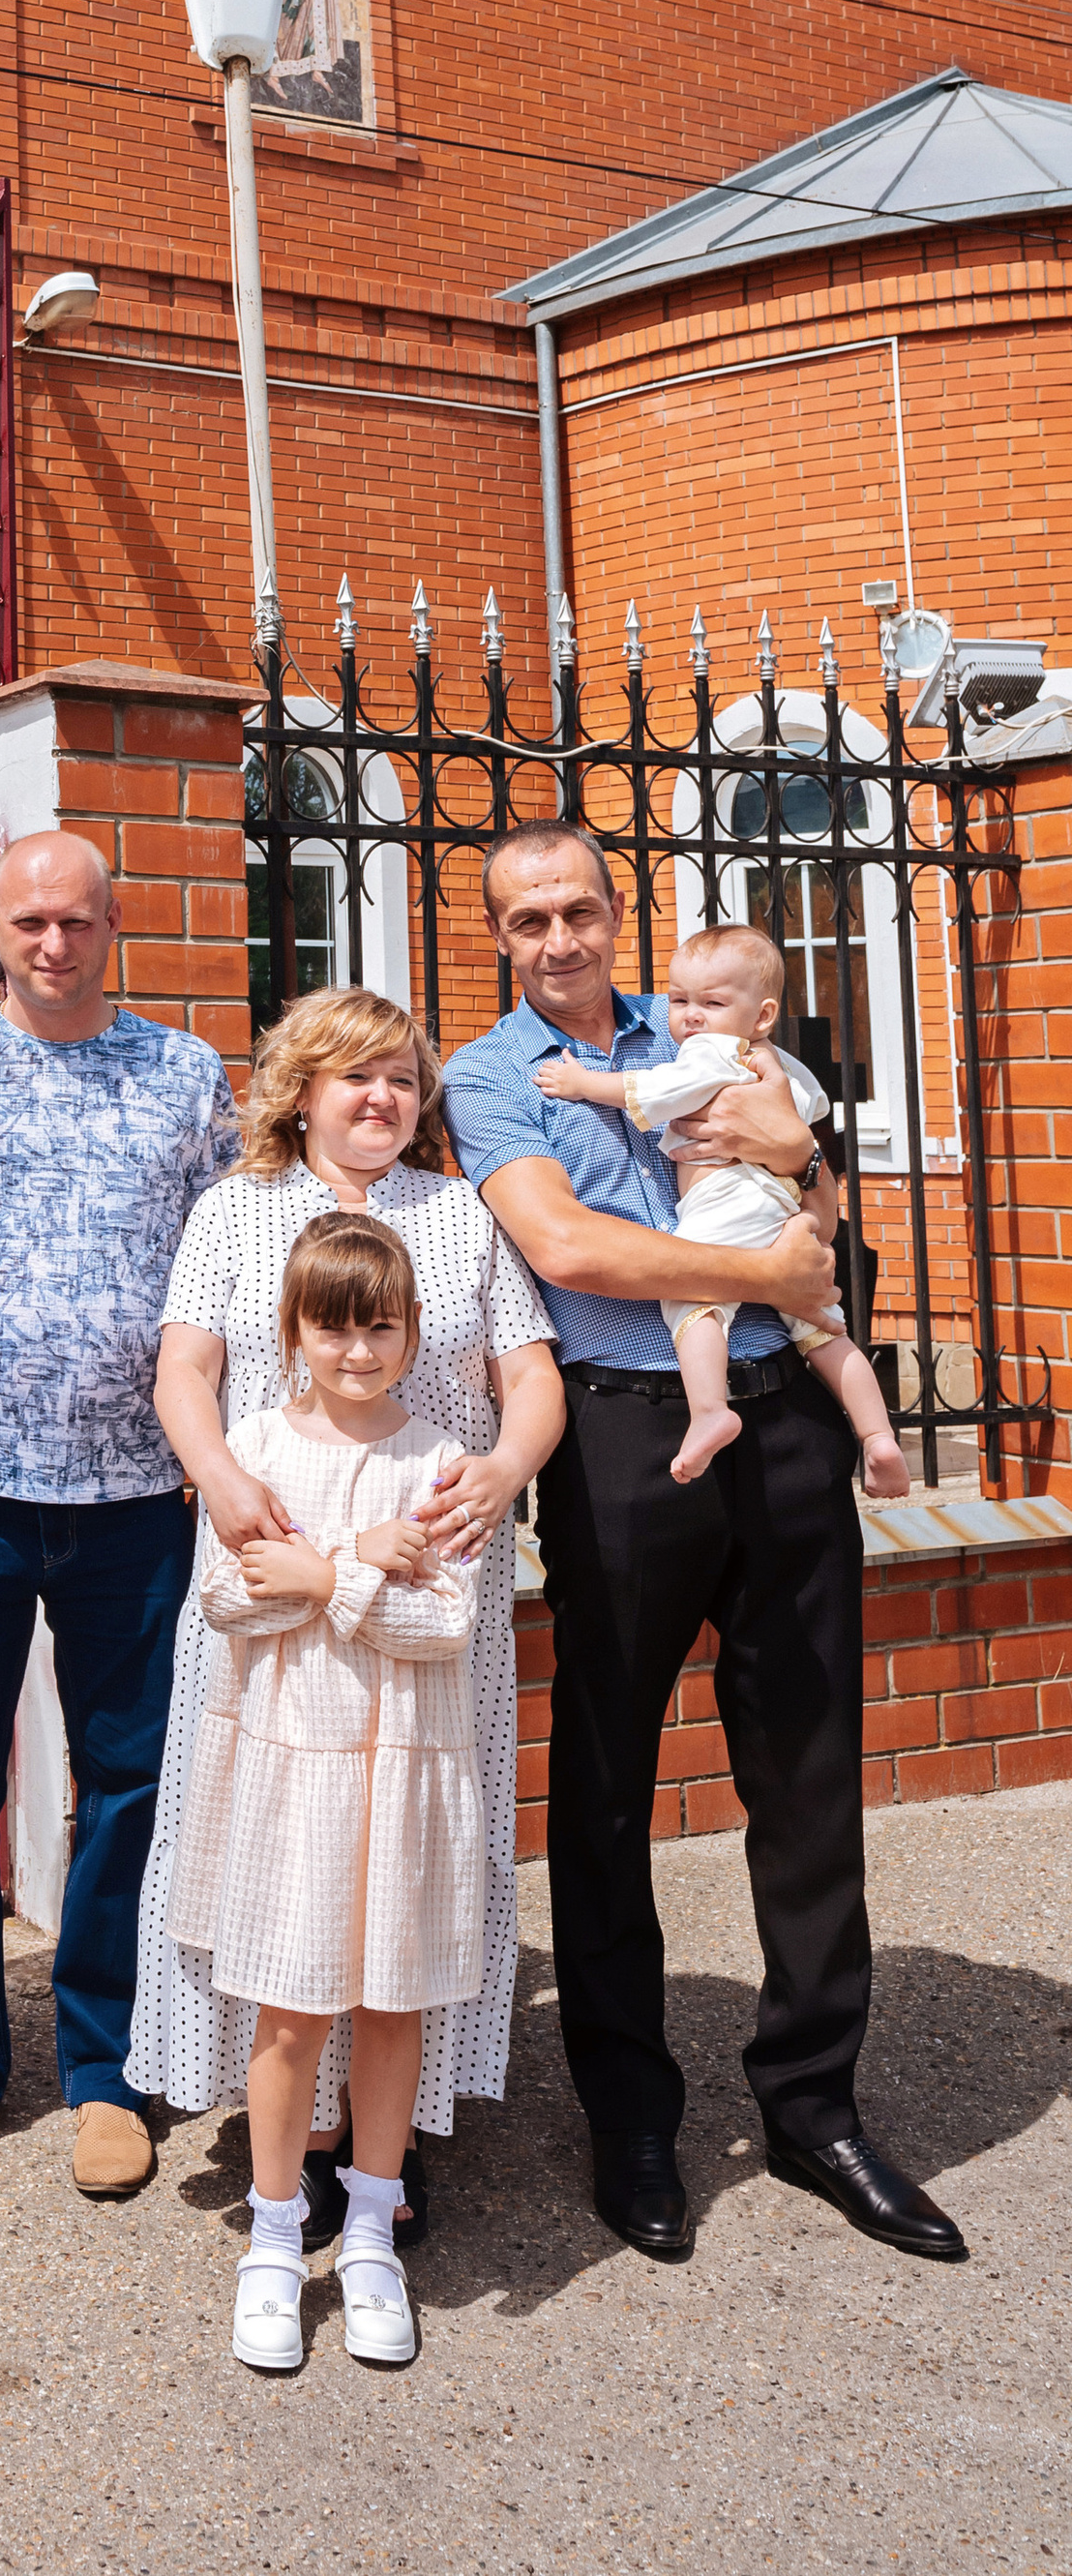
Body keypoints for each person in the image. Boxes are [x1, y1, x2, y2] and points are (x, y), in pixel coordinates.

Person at [442, 823, 967, 2265]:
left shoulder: (707, 1022)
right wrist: (772, 1259)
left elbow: (820, 1194)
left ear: (621, 913)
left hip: (785, 1415)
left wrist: (802, 1174)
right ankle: (631, 2113)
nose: (560, 935)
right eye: (528, 915)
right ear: (498, 933)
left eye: (582, 908)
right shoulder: (489, 1078)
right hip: (622, 1429)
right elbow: (572, 1251)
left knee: (808, 1762)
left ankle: (813, 2102)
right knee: (607, 1777)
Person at [128, 983, 563, 2248]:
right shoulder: (238, 1209)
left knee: (403, 1850)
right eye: (350, 1075)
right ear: (300, 1089)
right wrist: (218, 1477)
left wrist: (502, 1466)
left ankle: (384, 2134)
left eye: (398, 1077)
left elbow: (527, 1377)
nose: (378, 1098)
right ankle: (295, 2137)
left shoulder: (460, 1215)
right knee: (285, 1853)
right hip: (275, 1583)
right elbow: (186, 1368)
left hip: (425, 1593)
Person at [0, 828, 240, 2201]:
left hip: (136, 1496)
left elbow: (230, 1274)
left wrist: (231, 1456)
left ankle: (104, 2064)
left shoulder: (187, 1076)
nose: (54, 945)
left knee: (130, 1785)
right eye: (29, 923)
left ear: (113, 923)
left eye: (77, 922)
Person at [176, 1215, 484, 2375]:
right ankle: (270, 2238)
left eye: (380, 1327)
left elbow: (443, 1623)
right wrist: (354, 1560)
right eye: (332, 1326)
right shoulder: (252, 1446)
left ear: (410, 1332)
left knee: (394, 2006)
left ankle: (368, 2231)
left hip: (402, 1768)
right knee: (291, 2010)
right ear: (294, 1332)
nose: (357, 1350)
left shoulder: (441, 1461)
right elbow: (230, 1597)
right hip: (291, 1768)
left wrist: (322, 1575)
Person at [536, 922, 909, 1493]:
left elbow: (651, 1094)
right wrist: (793, 1150)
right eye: (678, 999)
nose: (689, 1015)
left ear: (761, 1015)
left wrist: (582, 1081)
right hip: (778, 1209)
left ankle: (709, 1408)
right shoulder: (776, 1063)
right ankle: (878, 1436)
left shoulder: (708, 1051)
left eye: (711, 1002)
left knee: (692, 1300)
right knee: (825, 1332)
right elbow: (808, 1116)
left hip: (728, 1203)